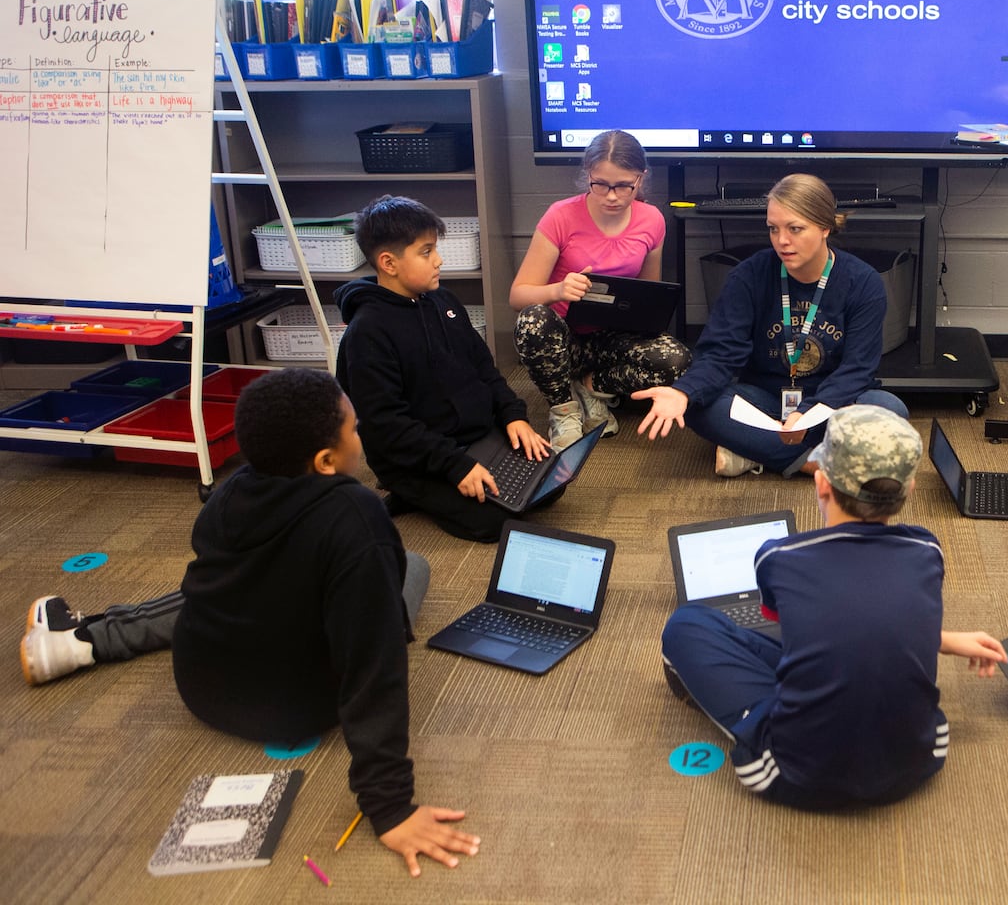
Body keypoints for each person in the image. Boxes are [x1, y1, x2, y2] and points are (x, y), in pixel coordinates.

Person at [18, 369, 481, 878]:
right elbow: (374, 665)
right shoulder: (358, 514)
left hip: (200, 687)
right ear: (326, 461)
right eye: (353, 427)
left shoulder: (231, 489)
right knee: (408, 568)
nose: (360, 431)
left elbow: (204, 588)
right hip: (300, 708)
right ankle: (84, 639)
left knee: (234, 585)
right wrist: (389, 805)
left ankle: (84, 640)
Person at [660, 405, 1007, 807]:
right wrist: (940, 639)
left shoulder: (778, 557)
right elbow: (870, 614)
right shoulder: (927, 549)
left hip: (793, 774)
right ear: (909, 491)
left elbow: (783, 626)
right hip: (920, 758)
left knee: (686, 625)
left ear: (821, 483)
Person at [634, 173, 906, 477]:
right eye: (773, 229)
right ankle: (815, 462)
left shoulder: (864, 282)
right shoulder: (749, 276)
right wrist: (682, 393)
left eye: (795, 229)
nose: (782, 241)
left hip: (832, 401)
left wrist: (807, 413)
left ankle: (756, 452)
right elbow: (720, 354)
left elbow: (858, 369)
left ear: (826, 227)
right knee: (700, 406)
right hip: (765, 399)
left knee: (888, 409)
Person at [336, 194, 550, 543]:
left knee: (547, 482)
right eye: (426, 252)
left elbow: (485, 368)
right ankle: (409, 491)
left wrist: (514, 416)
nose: (438, 260)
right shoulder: (367, 332)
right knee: (494, 523)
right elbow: (385, 424)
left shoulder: (444, 302)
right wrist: (454, 465)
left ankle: (469, 471)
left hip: (474, 436)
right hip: (417, 457)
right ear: (388, 263)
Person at [510, 130, 691, 448]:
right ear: (588, 176)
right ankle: (563, 407)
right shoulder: (561, 216)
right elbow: (518, 295)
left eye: (624, 185)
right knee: (533, 321)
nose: (612, 195)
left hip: (610, 339)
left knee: (678, 362)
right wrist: (559, 290)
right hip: (563, 340)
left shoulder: (651, 220)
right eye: (601, 184)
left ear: (641, 178)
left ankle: (591, 386)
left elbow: (648, 295)